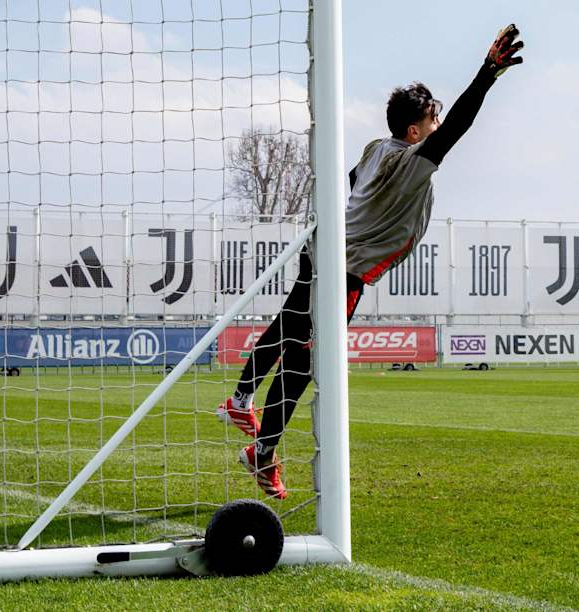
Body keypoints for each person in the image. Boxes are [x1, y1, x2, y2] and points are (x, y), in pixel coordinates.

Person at [217, 25, 524, 498]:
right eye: (432, 119)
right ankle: (260, 450)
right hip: (344, 268)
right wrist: (487, 74)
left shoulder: (375, 150)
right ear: (414, 130)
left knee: (292, 330)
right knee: (303, 360)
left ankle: (242, 402)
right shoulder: (409, 160)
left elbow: (354, 178)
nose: (438, 126)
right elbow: (458, 128)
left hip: (328, 255)